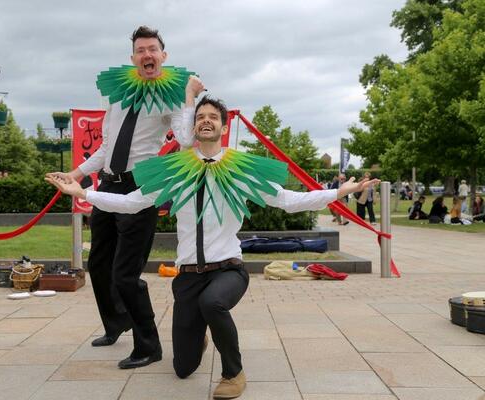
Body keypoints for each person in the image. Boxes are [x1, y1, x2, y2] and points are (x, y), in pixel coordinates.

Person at [46, 96, 379, 399]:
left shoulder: (241, 169)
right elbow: (133, 202)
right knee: (183, 368)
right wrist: (84, 194)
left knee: (213, 302)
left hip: (228, 269)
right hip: (188, 276)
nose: (206, 121)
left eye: (212, 117)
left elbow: (288, 200)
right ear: (193, 127)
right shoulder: (174, 171)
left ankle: (233, 373)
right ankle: (199, 336)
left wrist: (338, 192)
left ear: (223, 126)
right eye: (200, 116)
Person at [47, 26, 204, 369]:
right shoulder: (118, 92)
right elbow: (106, 145)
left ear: (164, 55)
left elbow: (186, 139)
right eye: (140, 50)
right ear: (132, 57)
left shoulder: (172, 93)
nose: (147, 55)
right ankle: (116, 322)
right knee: (98, 265)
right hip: (107, 185)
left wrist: (190, 95)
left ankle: (149, 345)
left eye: (153, 49)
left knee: (125, 274)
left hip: (140, 187)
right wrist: (76, 174)